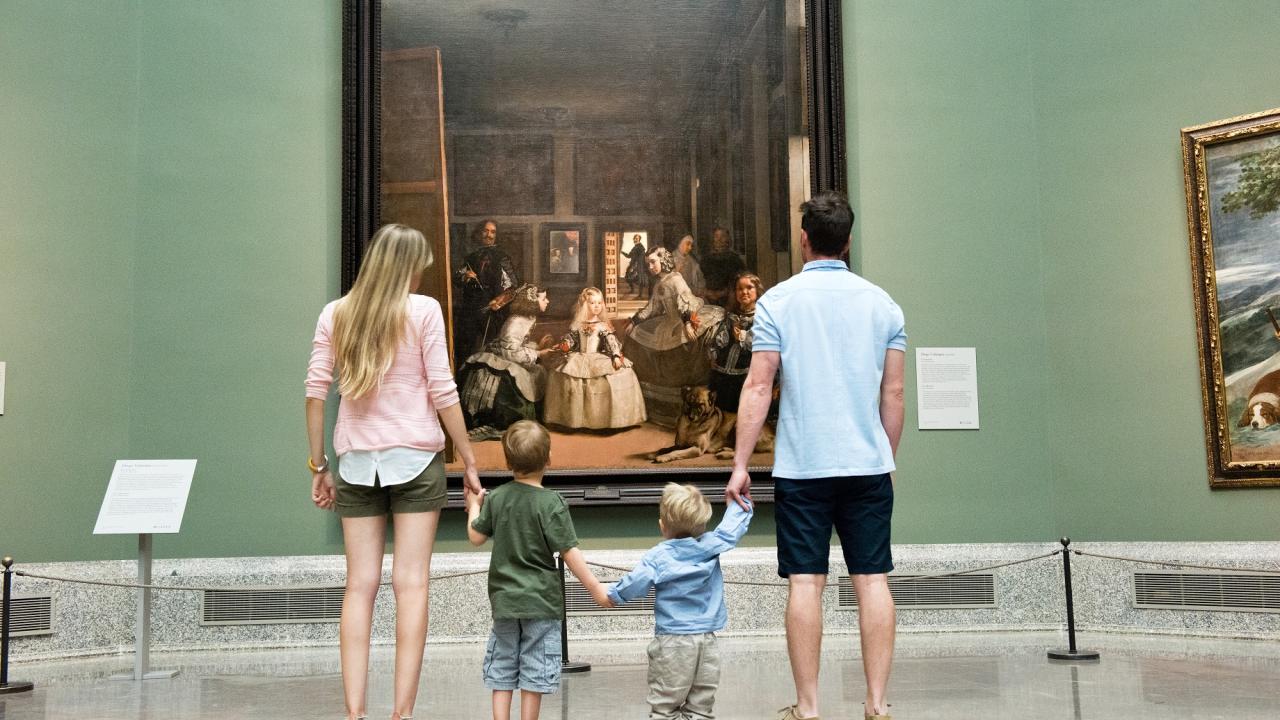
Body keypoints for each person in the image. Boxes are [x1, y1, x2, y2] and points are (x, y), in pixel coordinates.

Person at [724, 191, 906, 720]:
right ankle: (876, 705)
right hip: (867, 466)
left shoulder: (777, 303)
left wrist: (739, 464)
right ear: (848, 242)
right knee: (872, 580)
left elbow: (758, 387)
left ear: (805, 240)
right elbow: (892, 396)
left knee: (806, 582)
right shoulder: (883, 304)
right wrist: (884, 459)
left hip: (803, 468)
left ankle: (808, 707)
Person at [305, 223, 482, 720]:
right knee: (412, 584)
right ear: (407, 266)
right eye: (421, 264)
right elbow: (443, 392)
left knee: (359, 585)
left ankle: (354, 713)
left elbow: (316, 393)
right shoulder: (422, 311)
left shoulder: (335, 313)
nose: (424, 272)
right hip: (417, 462)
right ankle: (402, 714)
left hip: (356, 463)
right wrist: (468, 459)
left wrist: (319, 465)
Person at [465, 420, 610, 720]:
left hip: (505, 603)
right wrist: (595, 588)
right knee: (534, 666)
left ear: (507, 461)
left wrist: (474, 506)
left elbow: (476, 537)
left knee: (503, 663)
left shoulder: (498, 498)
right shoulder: (551, 504)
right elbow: (570, 552)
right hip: (541, 602)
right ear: (548, 459)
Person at [605, 483, 753, 720]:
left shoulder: (659, 556)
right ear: (702, 525)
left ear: (662, 525)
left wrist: (613, 595)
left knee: (665, 706)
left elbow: (636, 582)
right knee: (700, 707)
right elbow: (731, 530)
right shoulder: (712, 544)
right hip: (707, 642)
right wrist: (739, 505)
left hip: (672, 642)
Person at [622, 248, 723, 408]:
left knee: (687, 343)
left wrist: (688, 323)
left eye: (653, 262)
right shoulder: (658, 284)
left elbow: (685, 303)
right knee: (637, 334)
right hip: (669, 321)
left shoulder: (676, 279)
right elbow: (652, 308)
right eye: (648, 264)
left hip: (687, 317)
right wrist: (634, 321)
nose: (650, 267)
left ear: (663, 260)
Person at [458, 284, 554, 441]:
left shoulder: (528, 317)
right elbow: (510, 351)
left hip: (508, 355)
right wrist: (538, 354)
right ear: (532, 300)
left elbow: (517, 344)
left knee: (537, 372)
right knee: (520, 379)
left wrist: (538, 348)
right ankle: (496, 425)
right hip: (501, 361)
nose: (547, 301)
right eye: (543, 298)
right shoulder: (517, 321)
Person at [543, 287, 646, 429]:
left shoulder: (602, 325)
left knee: (620, 374)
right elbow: (572, 339)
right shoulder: (578, 324)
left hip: (597, 357)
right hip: (579, 357)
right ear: (585, 304)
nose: (597, 306)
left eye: (599, 302)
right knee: (565, 375)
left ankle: (603, 421)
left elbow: (611, 341)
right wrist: (565, 344)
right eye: (592, 303)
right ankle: (575, 420)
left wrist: (616, 356)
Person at [453, 219, 521, 368]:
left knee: (488, 351)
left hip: (492, 312)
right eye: (486, 231)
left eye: (493, 232)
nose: (489, 235)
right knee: (466, 349)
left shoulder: (503, 257)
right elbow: (456, 278)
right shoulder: (470, 257)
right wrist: (465, 277)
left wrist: (498, 302)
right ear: (479, 232)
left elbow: (513, 286)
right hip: (470, 310)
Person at [706, 272, 766, 420]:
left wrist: (742, 337)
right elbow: (717, 341)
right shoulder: (730, 316)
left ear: (757, 291)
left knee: (740, 415)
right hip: (722, 373)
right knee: (719, 412)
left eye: (749, 288)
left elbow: (761, 344)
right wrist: (714, 352)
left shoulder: (762, 318)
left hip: (744, 375)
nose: (744, 292)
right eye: (740, 288)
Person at [701, 227, 747, 307]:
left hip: (729, 301)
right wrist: (707, 292)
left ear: (727, 240)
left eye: (722, 236)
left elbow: (739, 282)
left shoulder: (735, 260)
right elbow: (699, 281)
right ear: (713, 239)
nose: (719, 240)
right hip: (707, 300)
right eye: (716, 236)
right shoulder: (705, 259)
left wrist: (722, 293)